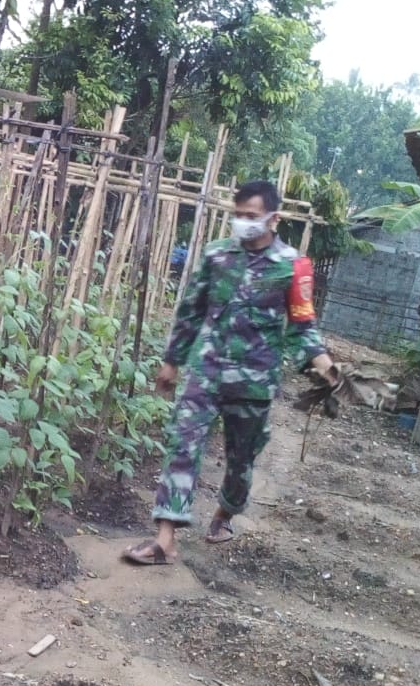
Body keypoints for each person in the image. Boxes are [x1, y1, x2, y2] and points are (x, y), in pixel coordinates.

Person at [123, 180, 337, 566]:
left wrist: (324, 365)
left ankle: (225, 512)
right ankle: (165, 538)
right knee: (182, 445)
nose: (242, 223)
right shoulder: (217, 256)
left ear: (275, 218)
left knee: (241, 461)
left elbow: (303, 326)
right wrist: (172, 361)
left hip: (254, 382)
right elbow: (192, 309)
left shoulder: (293, 266)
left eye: (251, 216)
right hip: (206, 372)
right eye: (237, 215)